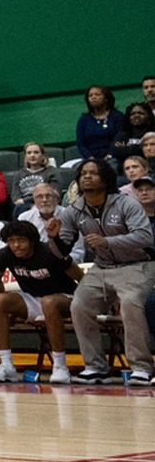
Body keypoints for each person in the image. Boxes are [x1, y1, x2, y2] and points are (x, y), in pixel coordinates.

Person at [68, 158, 155, 385]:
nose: (87, 177)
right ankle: (96, 367)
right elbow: (62, 249)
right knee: (79, 305)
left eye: (93, 173)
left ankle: (142, 367)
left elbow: (146, 236)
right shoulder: (74, 210)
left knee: (130, 302)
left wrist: (107, 241)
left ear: (105, 179)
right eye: (83, 173)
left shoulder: (127, 204)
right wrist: (54, 237)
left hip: (138, 264)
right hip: (102, 267)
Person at [0, 220, 81, 384]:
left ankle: (60, 367)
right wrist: (9, 309)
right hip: (33, 298)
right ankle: (6, 366)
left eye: (21, 240)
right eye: (12, 241)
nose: (16, 246)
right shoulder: (4, 255)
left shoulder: (50, 253)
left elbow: (80, 278)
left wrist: (84, 303)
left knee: (49, 303)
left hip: (66, 297)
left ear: (32, 241)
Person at [76, 85, 127, 160]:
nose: (93, 97)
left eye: (97, 95)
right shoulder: (84, 119)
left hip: (113, 157)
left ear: (106, 98)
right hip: (90, 159)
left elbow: (120, 137)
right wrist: (91, 158)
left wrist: (109, 156)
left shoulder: (117, 116)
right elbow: (81, 144)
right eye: (90, 96)